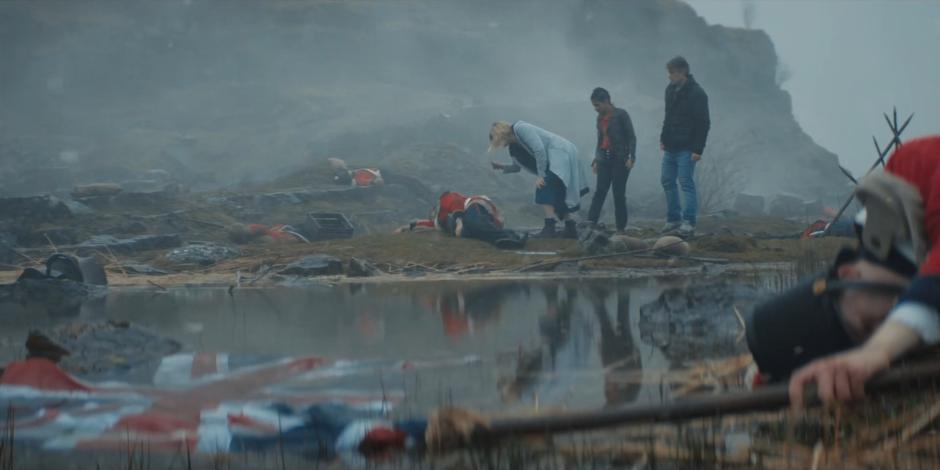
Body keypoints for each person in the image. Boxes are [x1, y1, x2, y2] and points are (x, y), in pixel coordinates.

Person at [747, 136, 940, 408]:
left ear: (849, 275)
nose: (891, 329)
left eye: (868, 324)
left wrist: (877, 351)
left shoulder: (911, 168)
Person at [489, 121, 590, 239]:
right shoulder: (514, 147)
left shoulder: (521, 128)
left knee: (543, 186)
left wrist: (541, 176)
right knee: (559, 192)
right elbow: (517, 167)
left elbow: (539, 149)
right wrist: (501, 167)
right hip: (554, 160)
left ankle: (549, 228)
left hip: (560, 152)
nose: (500, 144)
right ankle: (570, 228)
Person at [659, 56, 710, 236]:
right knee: (667, 180)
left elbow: (703, 123)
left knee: (686, 183)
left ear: (682, 72)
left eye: (671, 73)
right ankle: (673, 219)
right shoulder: (670, 90)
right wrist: (663, 138)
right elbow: (668, 116)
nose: (669, 76)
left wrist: (698, 150)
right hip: (670, 146)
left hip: (687, 148)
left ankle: (689, 222)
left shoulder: (698, 93)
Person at [396, 190, 527, 249]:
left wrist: (459, 222)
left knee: (474, 223)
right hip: (471, 224)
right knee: (476, 233)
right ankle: (507, 239)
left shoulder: (445, 199)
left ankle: (513, 237)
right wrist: (405, 227)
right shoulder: (438, 221)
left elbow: (456, 202)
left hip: (472, 207)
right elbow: (425, 223)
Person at [586, 87, 637, 233]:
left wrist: (632, 157)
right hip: (604, 158)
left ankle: (620, 227)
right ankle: (591, 222)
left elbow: (631, 137)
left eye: (597, 105)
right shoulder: (600, 118)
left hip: (620, 159)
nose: (596, 108)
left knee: (618, 193)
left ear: (606, 101)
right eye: (594, 105)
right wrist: (596, 159)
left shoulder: (621, 115)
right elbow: (600, 139)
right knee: (600, 191)